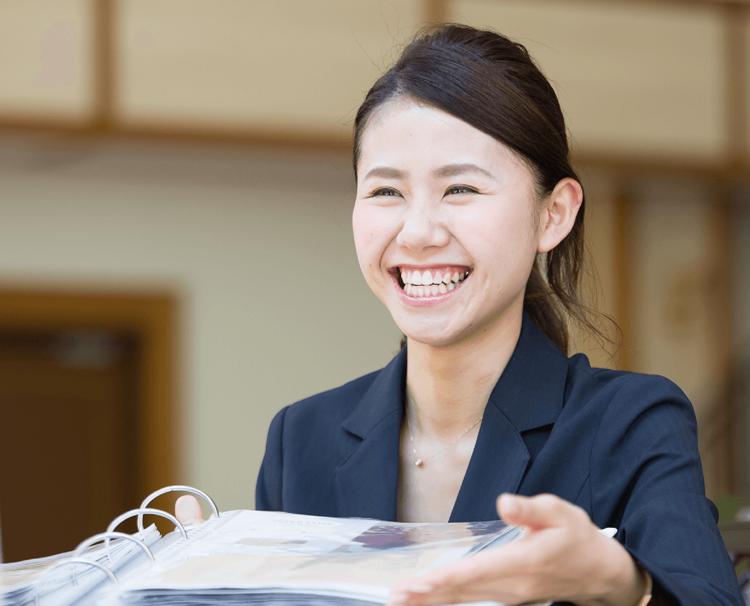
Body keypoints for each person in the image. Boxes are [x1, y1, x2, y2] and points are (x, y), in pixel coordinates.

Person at [178, 24, 743, 605]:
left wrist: (619, 583)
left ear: (553, 214)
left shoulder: (629, 422)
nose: (417, 233)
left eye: (461, 190)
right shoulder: (303, 438)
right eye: (385, 193)